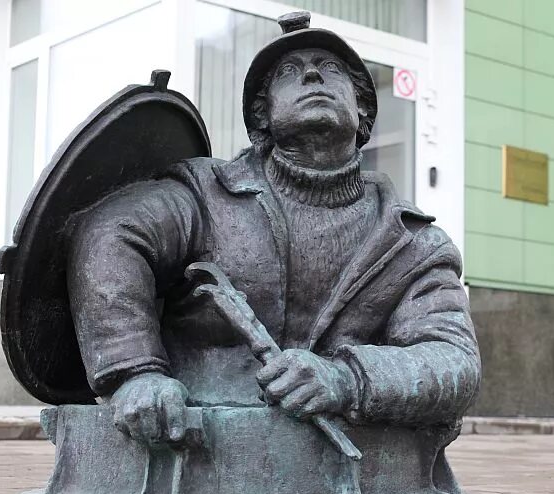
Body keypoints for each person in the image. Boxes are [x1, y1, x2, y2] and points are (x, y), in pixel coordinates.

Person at [67, 12, 480, 446]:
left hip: (352, 469)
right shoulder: (204, 195)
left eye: (332, 69)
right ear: (262, 116)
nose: (314, 74)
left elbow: (454, 359)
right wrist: (134, 373)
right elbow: (110, 233)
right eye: (289, 72)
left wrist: (346, 378)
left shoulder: (414, 244)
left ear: (362, 108)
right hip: (196, 447)